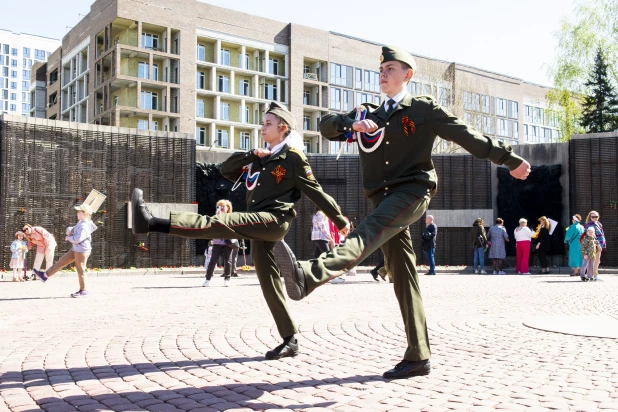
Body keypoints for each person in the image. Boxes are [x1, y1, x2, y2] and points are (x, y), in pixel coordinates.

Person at [274, 45, 531, 379]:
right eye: (381, 70)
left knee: (367, 231)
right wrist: (353, 125)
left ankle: (309, 275)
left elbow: (467, 136)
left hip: (412, 191)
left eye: (391, 68)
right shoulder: (367, 111)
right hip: (381, 198)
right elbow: (326, 127)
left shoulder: (423, 108)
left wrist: (509, 160)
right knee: (404, 276)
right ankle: (418, 355)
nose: (383, 74)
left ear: (407, 75)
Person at [130, 101, 349, 360]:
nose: (262, 127)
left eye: (267, 123)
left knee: (219, 223)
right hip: (259, 224)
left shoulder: (292, 157)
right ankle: (290, 340)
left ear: (283, 128)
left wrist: (339, 220)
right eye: (263, 122)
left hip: (273, 220)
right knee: (269, 282)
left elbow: (315, 191)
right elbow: (226, 170)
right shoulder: (260, 159)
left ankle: (152, 222)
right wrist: (251, 156)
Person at [33, 204, 98, 298]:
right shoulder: (81, 222)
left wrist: (69, 237)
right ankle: (45, 275)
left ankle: (83, 290)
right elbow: (75, 231)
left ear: (84, 213)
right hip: (76, 248)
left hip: (82, 250)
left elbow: (78, 238)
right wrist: (70, 230)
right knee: (62, 261)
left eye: (79, 211)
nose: (77, 213)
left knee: (80, 269)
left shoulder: (84, 225)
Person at [202, 199, 238, 287]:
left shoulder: (230, 217)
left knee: (228, 261)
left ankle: (227, 279)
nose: (221, 208)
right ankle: (207, 279)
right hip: (217, 241)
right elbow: (212, 226)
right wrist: (217, 216)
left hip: (227, 241)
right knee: (213, 260)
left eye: (223, 206)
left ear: (228, 208)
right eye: (219, 206)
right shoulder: (215, 216)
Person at [584, 211, 606, 279]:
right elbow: (592, 236)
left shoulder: (598, 223)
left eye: (596, 216)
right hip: (593, 245)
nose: (595, 218)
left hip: (600, 244)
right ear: (590, 217)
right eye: (593, 217)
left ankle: (592, 275)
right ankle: (593, 275)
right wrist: (598, 245)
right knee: (594, 260)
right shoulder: (590, 225)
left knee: (597, 260)